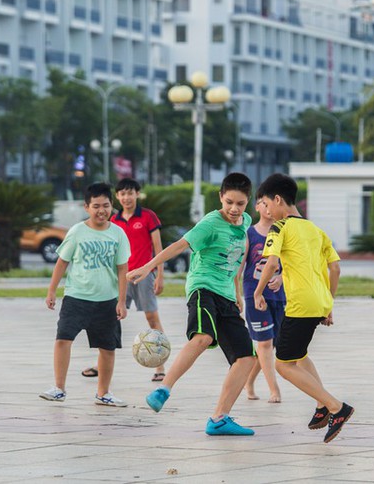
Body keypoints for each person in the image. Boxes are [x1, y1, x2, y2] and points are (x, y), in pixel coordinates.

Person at [127, 172, 258, 436]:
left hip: (226, 295)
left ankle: (219, 419)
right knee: (203, 336)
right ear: (221, 197)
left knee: (246, 357)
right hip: (203, 288)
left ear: (248, 203)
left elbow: (236, 259)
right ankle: (164, 389)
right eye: (229, 202)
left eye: (240, 203)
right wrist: (149, 266)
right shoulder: (210, 222)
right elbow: (179, 245)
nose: (234, 209)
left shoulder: (246, 222)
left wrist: (237, 292)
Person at [253, 173, 353, 444]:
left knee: (284, 365)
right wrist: (328, 303)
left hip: (299, 304)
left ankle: (335, 407)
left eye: (265, 204)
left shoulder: (279, 228)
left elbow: (272, 264)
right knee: (300, 355)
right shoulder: (316, 230)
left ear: (277, 200)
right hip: (318, 301)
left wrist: (258, 291)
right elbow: (335, 269)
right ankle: (322, 406)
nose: (266, 211)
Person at [40, 183, 131, 407]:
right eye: (96, 206)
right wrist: (52, 291)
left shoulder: (118, 233)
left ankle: (103, 393)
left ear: (112, 206)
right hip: (76, 298)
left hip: (107, 301)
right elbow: (62, 262)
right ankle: (59, 388)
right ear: (87, 207)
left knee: (108, 348)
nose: (102, 210)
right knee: (63, 339)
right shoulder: (77, 231)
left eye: (106, 206)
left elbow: (122, 269)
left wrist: (121, 301)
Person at [81, 178, 168, 382]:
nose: (126, 197)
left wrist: (160, 276)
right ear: (117, 197)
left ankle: (160, 366)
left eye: (130, 193)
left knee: (152, 318)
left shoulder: (148, 217)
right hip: (119, 277)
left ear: (137, 194)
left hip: (144, 275)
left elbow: (158, 248)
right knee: (109, 318)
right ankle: (99, 364)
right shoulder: (114, 220)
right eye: (122, 194)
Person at [241, 197, 285, 404]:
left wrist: (281, 277)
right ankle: (274, 390)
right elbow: (239, 268)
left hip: (279, 294)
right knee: (264, 342)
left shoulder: (283, 231)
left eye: (270, 204)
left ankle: (248, 381)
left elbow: (292, 264)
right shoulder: (249, 233)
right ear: (257, 207)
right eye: (263, 204)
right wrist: (236, 295)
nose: (268, 208)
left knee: (270, 343)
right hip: (254, 293)